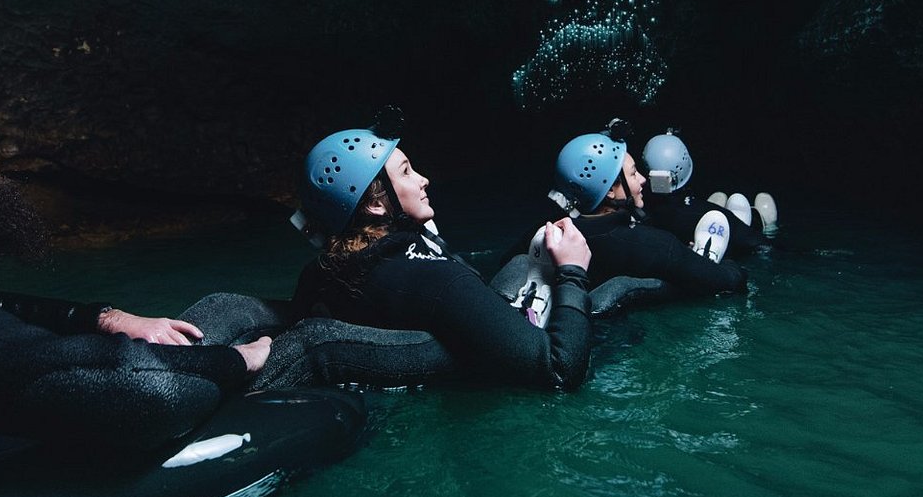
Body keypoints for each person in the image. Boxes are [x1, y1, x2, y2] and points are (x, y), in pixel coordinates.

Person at [0, 49, 276, 479]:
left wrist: (105, 319)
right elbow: (115, 386)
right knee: (174, 377)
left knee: (232, 307)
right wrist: (238, 361)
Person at [288, 116, 594, 391]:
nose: (423, 179)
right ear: (376, 204)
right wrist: (573, 271)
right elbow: (560, 370)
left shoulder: (320, 273)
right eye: (407, 171)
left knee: (518, 264)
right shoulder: (435, 280)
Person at [529, 121, 747, 313]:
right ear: (610, 191)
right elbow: (730, 281)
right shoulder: (655, 246)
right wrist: (730, 263)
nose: (643, 179)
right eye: (633, 173)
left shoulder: (540, 235)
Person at [639, 130, 773, 257]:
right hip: (728, 237)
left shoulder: (638, 211)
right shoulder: (699, 212)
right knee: (730, 221)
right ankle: (766, 225)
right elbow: (763, 245)